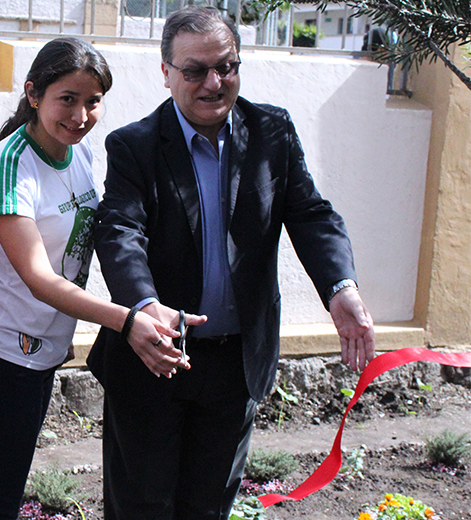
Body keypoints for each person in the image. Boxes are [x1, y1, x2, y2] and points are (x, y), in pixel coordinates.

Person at [87, 7, 376, 519]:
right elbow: (120, 231)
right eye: (195, 70)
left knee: (210, 507)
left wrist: (341, 287)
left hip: (236, 365)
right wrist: (146, 306)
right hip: (157, 358)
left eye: (226, 66)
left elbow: (310, 215)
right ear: (166, 72)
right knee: (141, 507)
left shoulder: (272, 132)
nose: (213, 82)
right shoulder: (133, 145)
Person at [0, 37, 192, 520]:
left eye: (93, 101)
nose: (81, 114)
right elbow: (39, 279)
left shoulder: (79, 152)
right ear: (33, 94)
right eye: (66, 99)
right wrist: (126, 320)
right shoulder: (7, 166)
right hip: (7, 352)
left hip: (46, 345)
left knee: (9, 482)